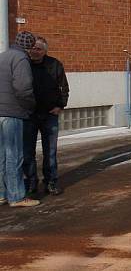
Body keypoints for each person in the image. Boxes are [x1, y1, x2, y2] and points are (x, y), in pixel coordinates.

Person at [23, 36, 69, 196]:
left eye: (38, 49)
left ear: (45, 51)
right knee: (28, 152)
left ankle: (51, 182)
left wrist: (60, 105)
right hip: (29, 115)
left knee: (50, 151)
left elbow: (64, 87)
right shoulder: (24, 64)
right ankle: (30, 184)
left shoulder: (54, 64)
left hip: (50, 115)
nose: (34, 51)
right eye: (33, 48)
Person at [0, 31, 40, 207]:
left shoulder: (3, 56)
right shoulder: (21, 59)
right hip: (13, 112)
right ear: (29, 47)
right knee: (14, 155)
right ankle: (16, 196)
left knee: (0, 155)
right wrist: (30, 106)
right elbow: (23, 88)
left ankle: (1, 194)